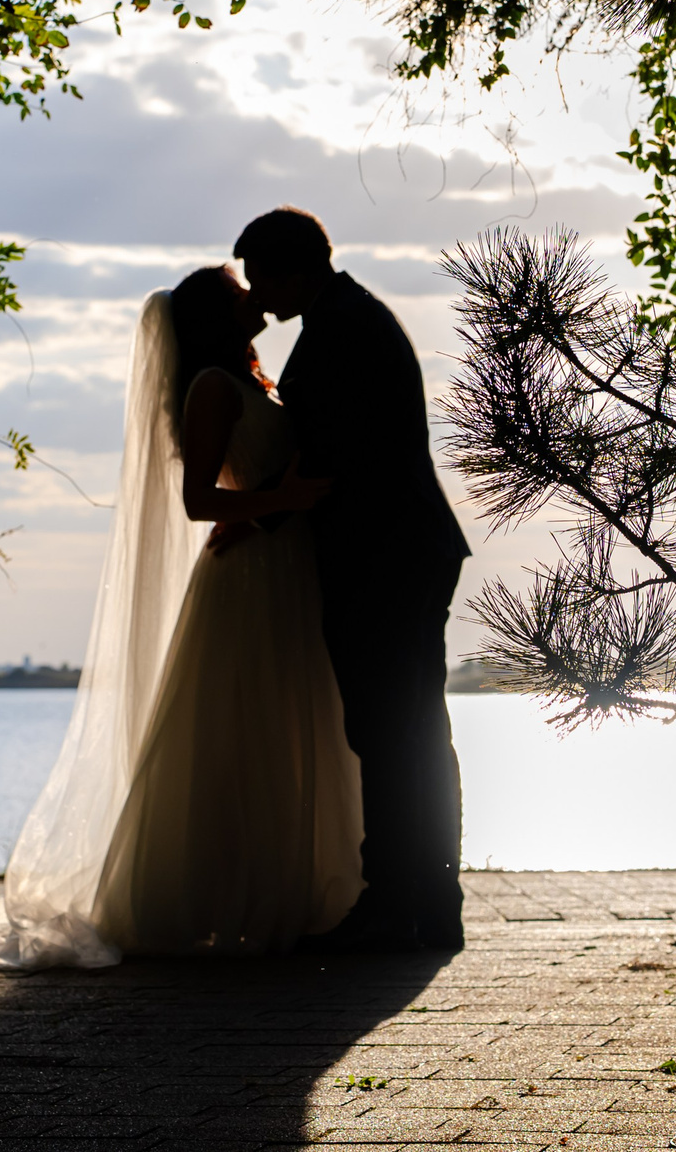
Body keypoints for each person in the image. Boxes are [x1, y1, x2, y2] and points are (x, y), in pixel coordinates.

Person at [0, 266, 360, 970]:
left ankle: (286, 890)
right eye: (237, 290)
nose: (252, 295)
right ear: (214, 315)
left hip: (282, 567)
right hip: (248, 580)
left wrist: (269, 506)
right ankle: (226, 898)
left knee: (286, 726)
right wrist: (277, 501)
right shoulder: (211, 386)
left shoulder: (253, 381)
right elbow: (199, 500)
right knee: (241, 733)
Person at [236, 206, 473, 953]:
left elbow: (332, 455)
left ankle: (398, 903)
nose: (256, 297)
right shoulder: (349, 317)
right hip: (400, 549)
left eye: (260, 279)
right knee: (408, 728)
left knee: (390, 729)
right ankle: (427, 902)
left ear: (293, 269)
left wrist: (247, 516)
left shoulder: (342, 330)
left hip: (384, 555)